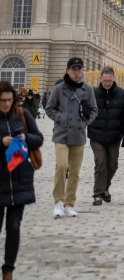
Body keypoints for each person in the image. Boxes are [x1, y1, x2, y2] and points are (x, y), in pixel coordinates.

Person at [45, 57, 99, 218]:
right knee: (61, 166)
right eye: (74, 69)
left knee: (75, 171)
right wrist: (61, 118)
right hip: (61, 134)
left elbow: (94, 109)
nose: (76, 72)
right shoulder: (58, 89)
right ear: (67, 71)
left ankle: (69, 203)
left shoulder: (88, 90)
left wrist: (85, 123)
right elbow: (49, 108)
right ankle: (58, 201)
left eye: (79, 69)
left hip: (78, 134)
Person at [0, 81, 43, 279]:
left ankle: (8, 269)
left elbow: (39, 138)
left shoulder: (22, 115)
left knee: (14, 227)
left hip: (19, 180)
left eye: (9, 100)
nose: (7, 104)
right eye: (2, 101)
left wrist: (25, 137)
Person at [88, 67, 124, 206]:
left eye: (110, 80)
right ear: (100, 79)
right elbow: (86, 112)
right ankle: (97, 193)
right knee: (100, 163)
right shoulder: (93, 94)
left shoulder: (123, 95)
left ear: (113, 79)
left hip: (114, 135)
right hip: (96, 134)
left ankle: (105, 188)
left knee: (112, 165)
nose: (107, 83)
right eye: (105, 80)